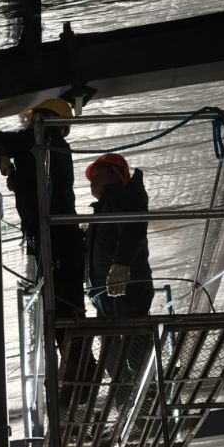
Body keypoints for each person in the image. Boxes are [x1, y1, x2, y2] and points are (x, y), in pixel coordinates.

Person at [0, 100, 95, 401]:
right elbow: (31, 186)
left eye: (33, 116)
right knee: (66, 311)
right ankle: (81, 379)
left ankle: (82, 378)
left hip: (56, 239)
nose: (28, 121)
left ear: (43, 117)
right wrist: (11, 171)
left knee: (64, 312)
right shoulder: (48, 146)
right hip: (59, 239)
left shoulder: (41, 136)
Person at [85, 153, 153, 409]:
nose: (92, 181)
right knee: (112, 352)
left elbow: (133, 231)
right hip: (107, 294)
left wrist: (121, 265)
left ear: (115, 174)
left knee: (135, 349)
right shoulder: (105, 207)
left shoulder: (123, 197)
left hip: (126, 288)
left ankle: (150, 397)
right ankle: (127, 403)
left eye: (97, 175)